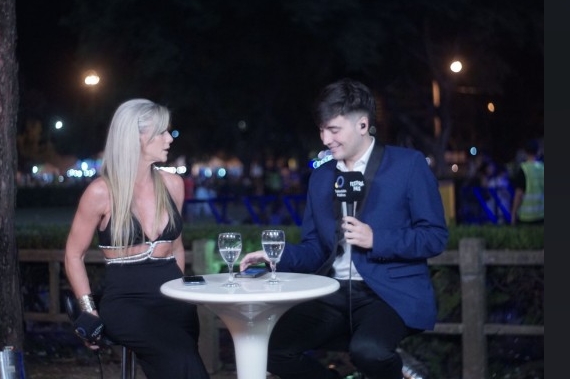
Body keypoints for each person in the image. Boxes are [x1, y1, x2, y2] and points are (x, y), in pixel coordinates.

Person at [239, 79, 449, 379]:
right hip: (332, 291)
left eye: (333, 130)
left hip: (387, 294)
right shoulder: (321, 177)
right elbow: (314, 248)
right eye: (321, 130)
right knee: (268, 348)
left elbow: (435, 237)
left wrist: (376, 239)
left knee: (369, 352)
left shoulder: (409, 165)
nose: (325, 139)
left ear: (362, 125)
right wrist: (276, 256)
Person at [64, 99, 210, 379]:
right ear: (137, 138)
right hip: (125, 304)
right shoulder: (101, 192)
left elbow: (176, 247)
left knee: (180, 359)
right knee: (182, 358)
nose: (169, 138)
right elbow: (73, 255)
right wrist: (89, 311)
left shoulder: (173, 185)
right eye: (161, 132)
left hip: (174, 300)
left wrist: (180, 292)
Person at [510, 139, 544, 225]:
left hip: (526, 217)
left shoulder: (523, 169)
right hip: (541, 214)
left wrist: (513, 213)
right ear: (538, 151)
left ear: (525, 152)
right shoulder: (542, 168)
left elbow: (519, 194)